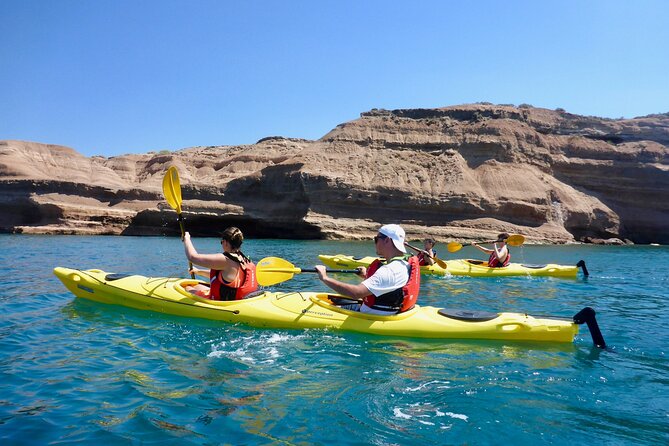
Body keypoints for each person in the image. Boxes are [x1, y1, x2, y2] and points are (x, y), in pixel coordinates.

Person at [314, 224, 420, 315]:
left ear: (387, 240)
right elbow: (390, 285)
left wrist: (325, 278)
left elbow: (356, 293)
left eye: (376, 239)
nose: (375, 242)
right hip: (387, 310)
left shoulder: (389, 270)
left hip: (369, 315)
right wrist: (366, 276)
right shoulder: (404, 264)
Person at [182, 227, 258, 300]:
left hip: (223, 303)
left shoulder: (225, 260)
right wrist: (198, 271)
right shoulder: (243, 259)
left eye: (221, 242)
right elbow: (225, 277)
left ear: (226, 243)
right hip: (237, 298)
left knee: (186, 288)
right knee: (196, 285)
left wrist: (187, 239)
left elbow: (192, 257)